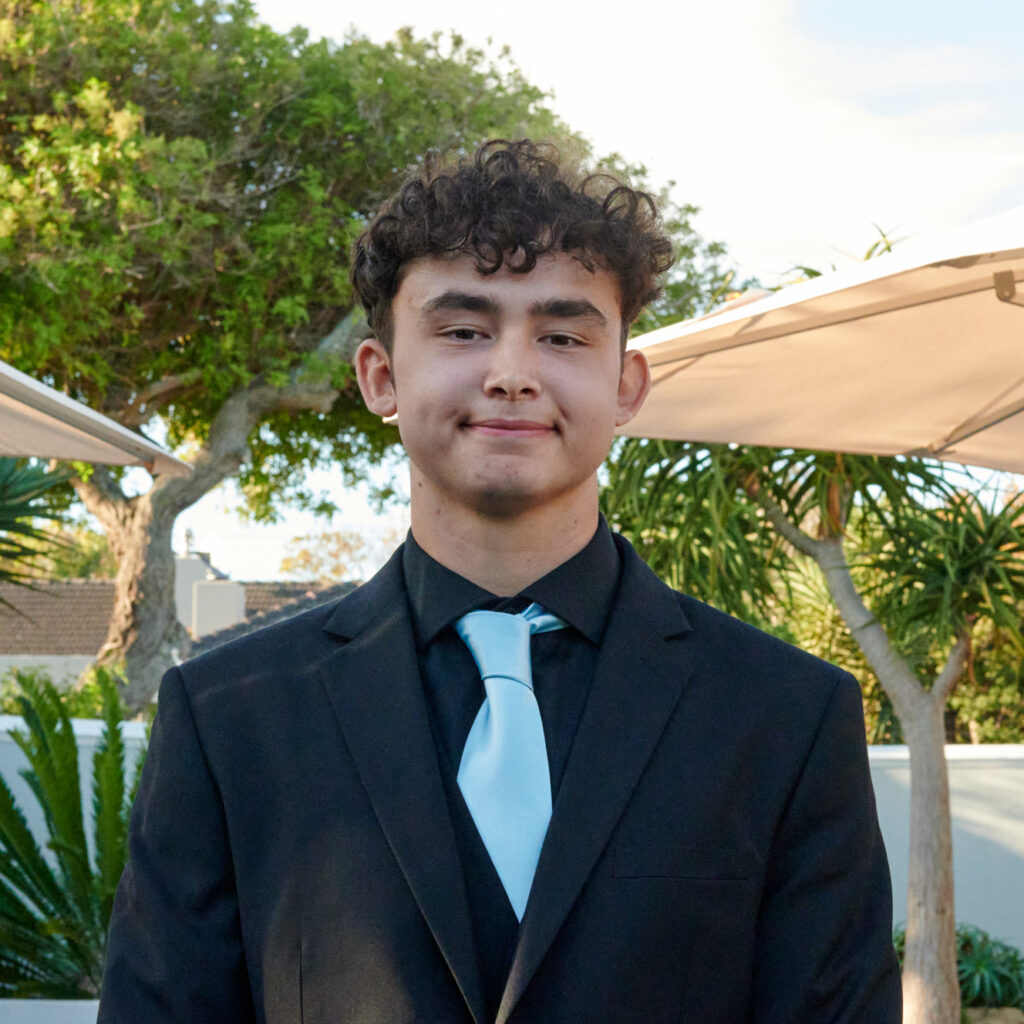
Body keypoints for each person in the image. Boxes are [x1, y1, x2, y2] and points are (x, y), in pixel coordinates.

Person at [99, 139, 901, 1023]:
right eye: (462, 331)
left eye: (562, 336)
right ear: (380, 376)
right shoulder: (229, 718)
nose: (512, 374)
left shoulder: (787, 717)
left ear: (626, 385)